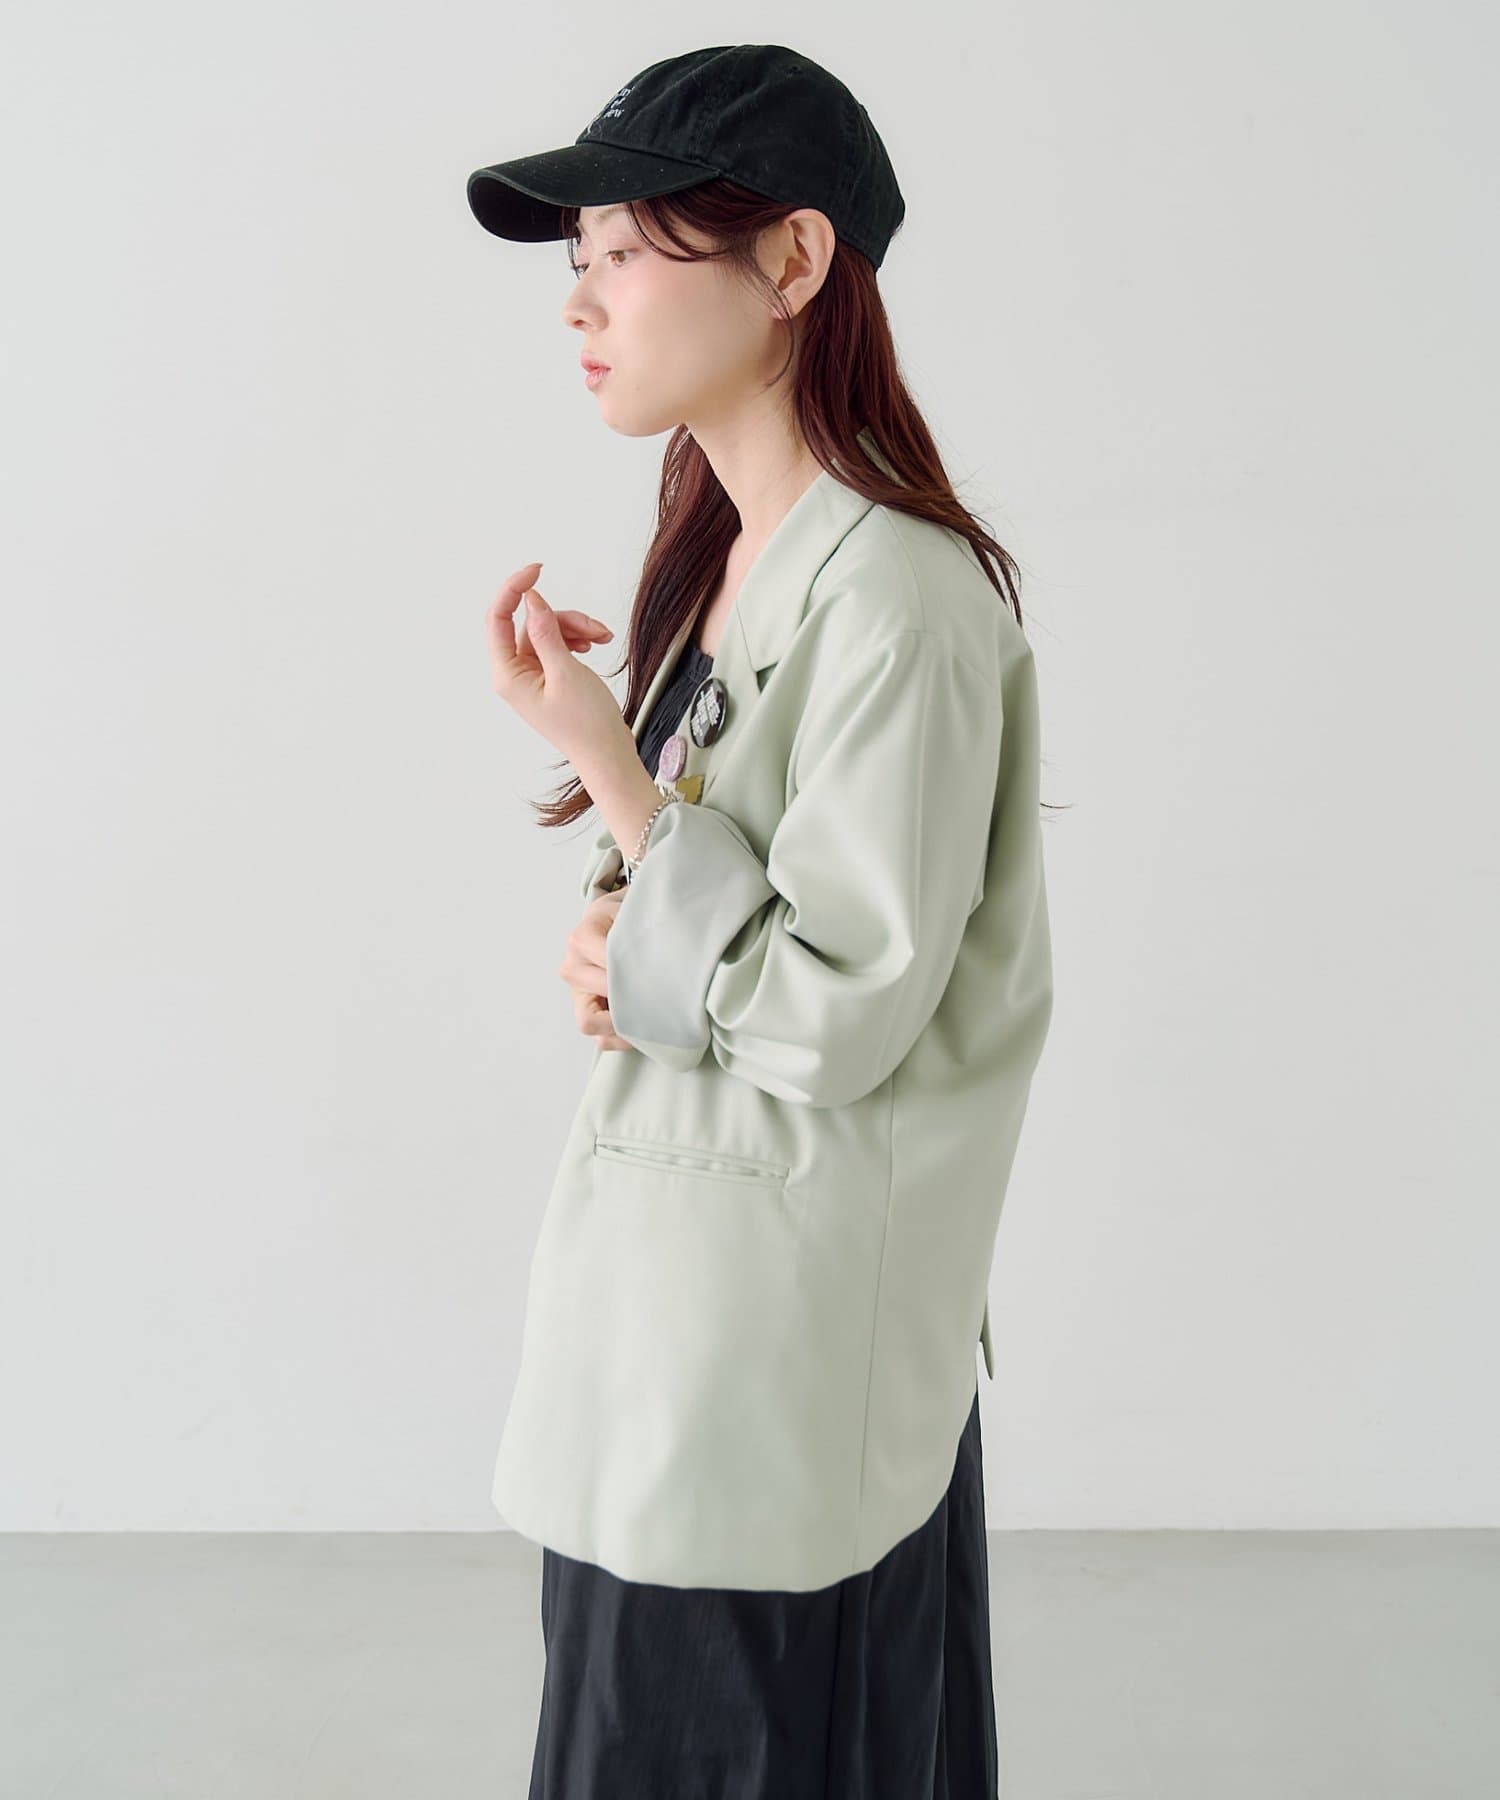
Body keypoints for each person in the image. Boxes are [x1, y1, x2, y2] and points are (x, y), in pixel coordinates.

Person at [470, 43, 1054, 1799]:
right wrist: (615, 946)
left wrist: (615, 774)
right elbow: (696, 945)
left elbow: (834, 1006)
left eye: (622, 253)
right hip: (679, 1329)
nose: (580, 303)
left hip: (777, 1363)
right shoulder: (729, 559)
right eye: (576, 262)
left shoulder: (904, 602)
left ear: (792, 261)